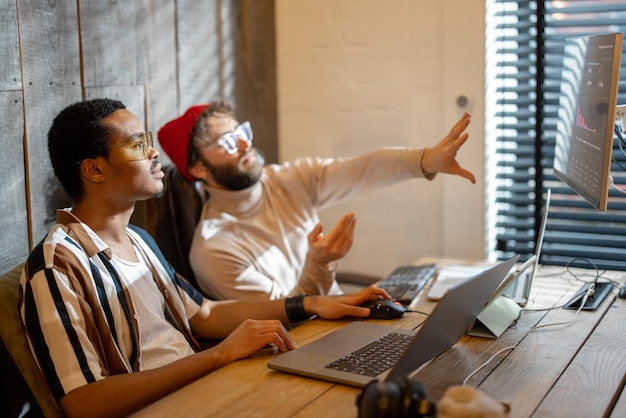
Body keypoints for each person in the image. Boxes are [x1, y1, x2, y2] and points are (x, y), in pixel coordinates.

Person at [19, 98, 389, 418]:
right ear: (94, 169)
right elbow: (84, 404)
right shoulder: (57, 266)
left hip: (208, 387)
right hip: (179, 400)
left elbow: (205, 314)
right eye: (138, 145)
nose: (153, 153)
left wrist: (310, 303)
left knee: (359, 389)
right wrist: (218, 356)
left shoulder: (139, 241)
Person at [157, 101, 476, 301]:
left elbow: (359, 170)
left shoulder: (284, 180)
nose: (244, 144)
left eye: (242, 131)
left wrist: (425, 161)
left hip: (343, 321)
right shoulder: (214, 250)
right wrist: (319, 265)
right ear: (197, 168)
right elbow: (288, 317)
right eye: (228, 141)